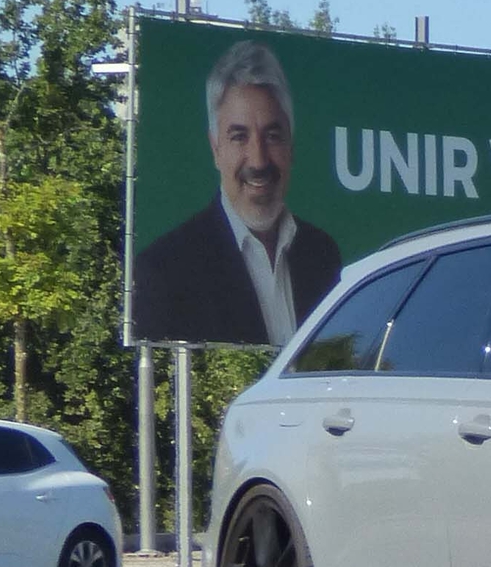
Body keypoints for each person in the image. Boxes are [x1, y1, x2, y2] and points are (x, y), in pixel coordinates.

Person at [129, 38, 343, 345]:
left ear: (291, 145)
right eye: (239, 137)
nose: (258, 160)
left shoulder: (322, 255)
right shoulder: (166, 270)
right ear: (215, 148)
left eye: (272, 136)